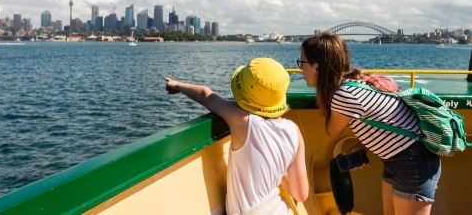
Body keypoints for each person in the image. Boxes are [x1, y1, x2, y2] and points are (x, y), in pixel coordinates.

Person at [299, 32, 441, 215]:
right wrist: (363, 146)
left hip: (413, 161)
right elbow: (389, 122)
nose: (300, 69)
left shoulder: (344, 95)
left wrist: (325, 103)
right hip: (400, 159)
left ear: (316, 67)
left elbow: (332, 131)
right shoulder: (356, 83)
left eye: (302, 63)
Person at [164, 57, 309, 215]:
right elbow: (300, 194)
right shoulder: (294, 131)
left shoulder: (243, 121)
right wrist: (277, 168)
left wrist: (176, 85)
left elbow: (204, 95)